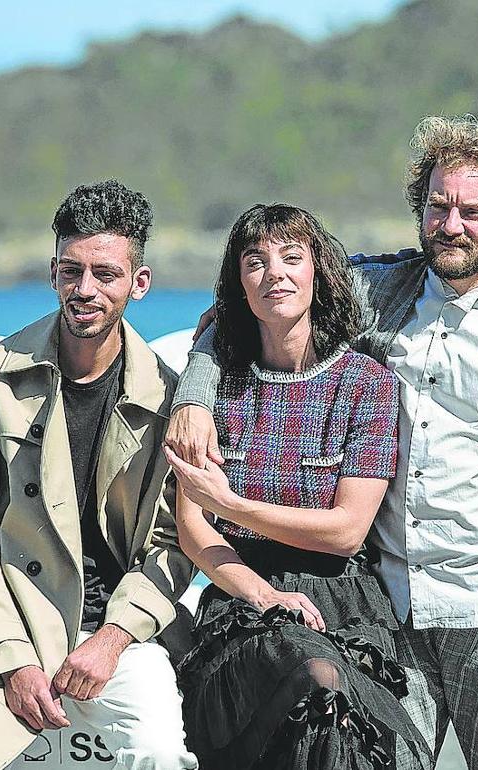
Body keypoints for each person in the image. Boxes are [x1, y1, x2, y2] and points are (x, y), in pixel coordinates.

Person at [169, 118, 478, 769]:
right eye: (439, 205)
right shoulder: (374, 293)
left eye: (473, 211)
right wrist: (195, 393)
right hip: (391, 604)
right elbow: (242, 311)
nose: (452, 224)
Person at [0, 180, 198, 770]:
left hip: (116, 635)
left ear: (138, 283)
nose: (85, 290)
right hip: (5, 626)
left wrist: (113, 639)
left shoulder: (169, 399)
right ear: (53, 273)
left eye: (106, 273)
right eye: (71, 271)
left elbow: (172, 545)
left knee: (160, 755)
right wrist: (10, 659)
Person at [163, 203, 430, 770]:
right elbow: (193, 531)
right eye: (255, 262)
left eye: (292, 257)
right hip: (243, 601)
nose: (275, 273)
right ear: (238, 282)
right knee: (310, 677)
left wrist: (233, 504)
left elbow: (346, 531)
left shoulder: (366, 384)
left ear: (318, 270)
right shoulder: (212, 391)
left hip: (346, 604)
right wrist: (263, 596)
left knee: (347, 718)